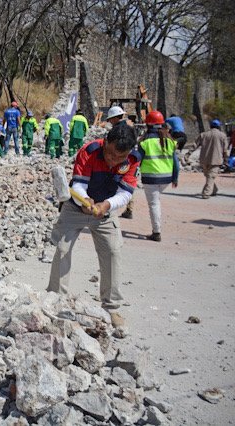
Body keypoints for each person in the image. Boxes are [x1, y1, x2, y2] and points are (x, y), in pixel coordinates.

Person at [48, 124, 141, 327]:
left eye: (119, 158)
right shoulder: (89, 151)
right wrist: (85, 200)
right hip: (76, 208)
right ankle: (55, 300)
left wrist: (106, 205)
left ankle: (111, 307)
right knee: (62, 249)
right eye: (110, 154)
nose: (113, 160)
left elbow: (125, 193)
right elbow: (78, 185)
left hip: (105, 210)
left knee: (112, 251)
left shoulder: (133, 159)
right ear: (106, 142)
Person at [138, 111, 179, 242]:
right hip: (167, 178)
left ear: (148, 125)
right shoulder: (170, 140)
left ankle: (156, 232)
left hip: (151, 178)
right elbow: (176, 162)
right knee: (156, 202)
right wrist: (175, 177)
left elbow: (137, 159)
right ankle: (157, 228)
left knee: (154, 204)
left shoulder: (145, 141)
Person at [184, 119, 229, 199]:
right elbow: (225, 150)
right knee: (210, 176)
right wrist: (226, 160)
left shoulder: (203, 135)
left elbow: (194, 145)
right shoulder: (222, 136)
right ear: (219, 126)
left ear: (210, 126)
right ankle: (206, 193)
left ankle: (214, 190)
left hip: (204, 160)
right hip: (216, 160)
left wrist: (188, 154)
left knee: (209, 176)